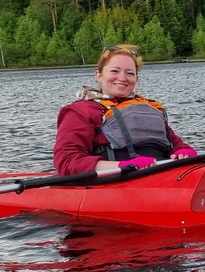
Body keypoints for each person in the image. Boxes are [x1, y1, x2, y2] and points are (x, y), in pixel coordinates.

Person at [53, 44, 197, 175]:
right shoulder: (80, 111)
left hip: (162, 174)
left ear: (136, 78)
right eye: (115, 71)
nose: (122, 78)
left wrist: (183, 152)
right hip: (117, 181)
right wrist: (121, 166)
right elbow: (67, 161)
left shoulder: (150, 108)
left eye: (130, 73)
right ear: (99, 75)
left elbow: (176, 144)